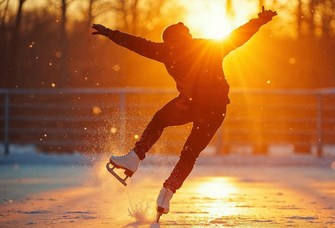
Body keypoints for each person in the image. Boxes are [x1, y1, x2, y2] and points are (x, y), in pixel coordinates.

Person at [92, 7, 277, 222]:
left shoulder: (165, 50)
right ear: (185, 36)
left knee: (159, 120)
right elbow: (239, 35)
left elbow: (137, 44)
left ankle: (135, 157)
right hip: (215, 109)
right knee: (189, 154)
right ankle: (167, 192)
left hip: (189, 104)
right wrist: (260, 21)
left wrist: (110, 33)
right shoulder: (208, 46)